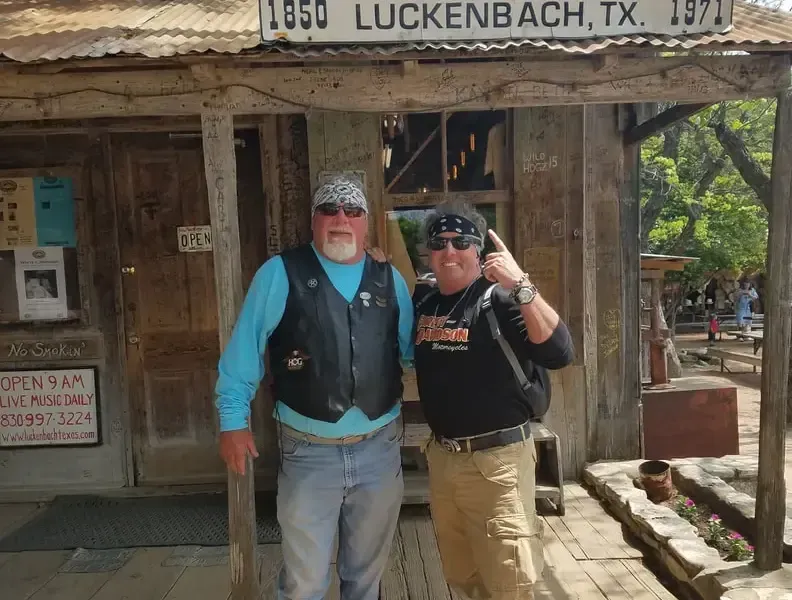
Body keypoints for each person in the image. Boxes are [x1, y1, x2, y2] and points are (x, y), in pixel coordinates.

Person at [214, 175, 414, 600]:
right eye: (330, 209)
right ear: (314, 220)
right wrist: (233, 419)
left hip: (379, 450)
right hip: (308, 454)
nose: (341, 218)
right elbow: (245, 348)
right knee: (304, 581)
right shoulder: (280, 273)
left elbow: (415, 352)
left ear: (365, 224)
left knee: (366, 579)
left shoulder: (389, 279)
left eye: (353, 211)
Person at [412, 202, 574, 600]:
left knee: (510, 583)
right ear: (429, 252)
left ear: (478, 249)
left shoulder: (499, 299)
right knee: (464, 578)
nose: (450, 251)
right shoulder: (426, 304)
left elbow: (559, 352)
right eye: (440, 242)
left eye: (461, 241)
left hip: (496, 465)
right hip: (443, 461)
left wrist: (521, 283)